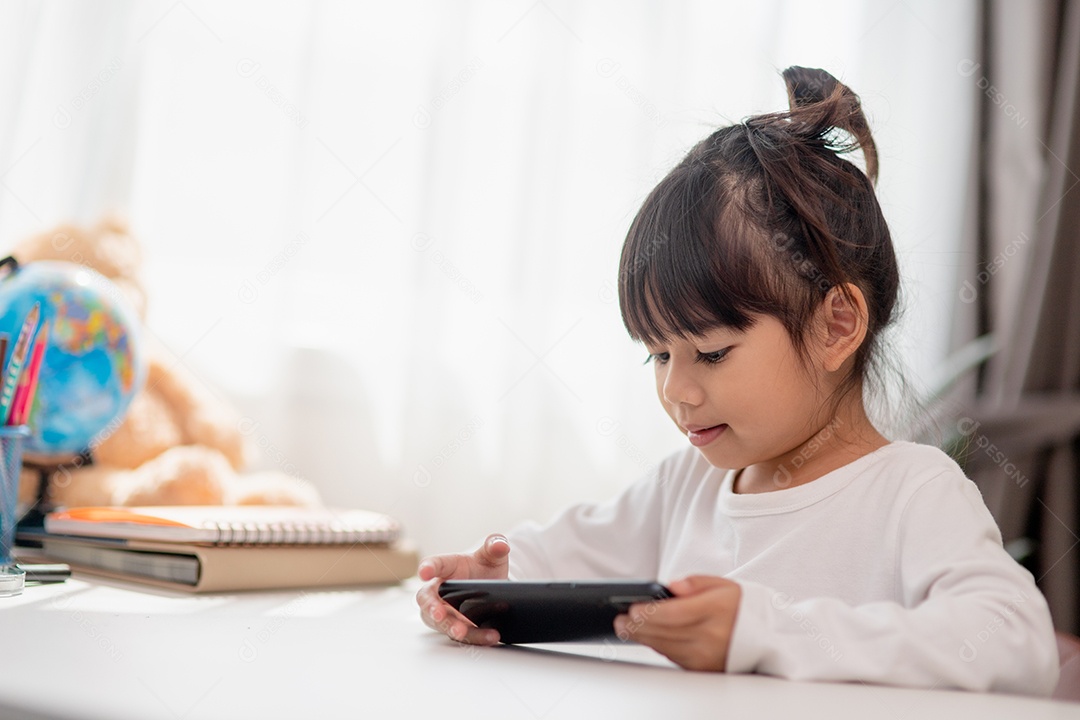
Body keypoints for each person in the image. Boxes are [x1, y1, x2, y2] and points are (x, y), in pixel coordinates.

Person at [414, 66, 1059, 695]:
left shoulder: (911, 493)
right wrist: (488, 581)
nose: (676, 391)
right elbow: (556, 559)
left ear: (836, 326)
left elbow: (1016, 644)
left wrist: (766, 630)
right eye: (657, 356)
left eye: (713, 353)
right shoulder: (684, 486)